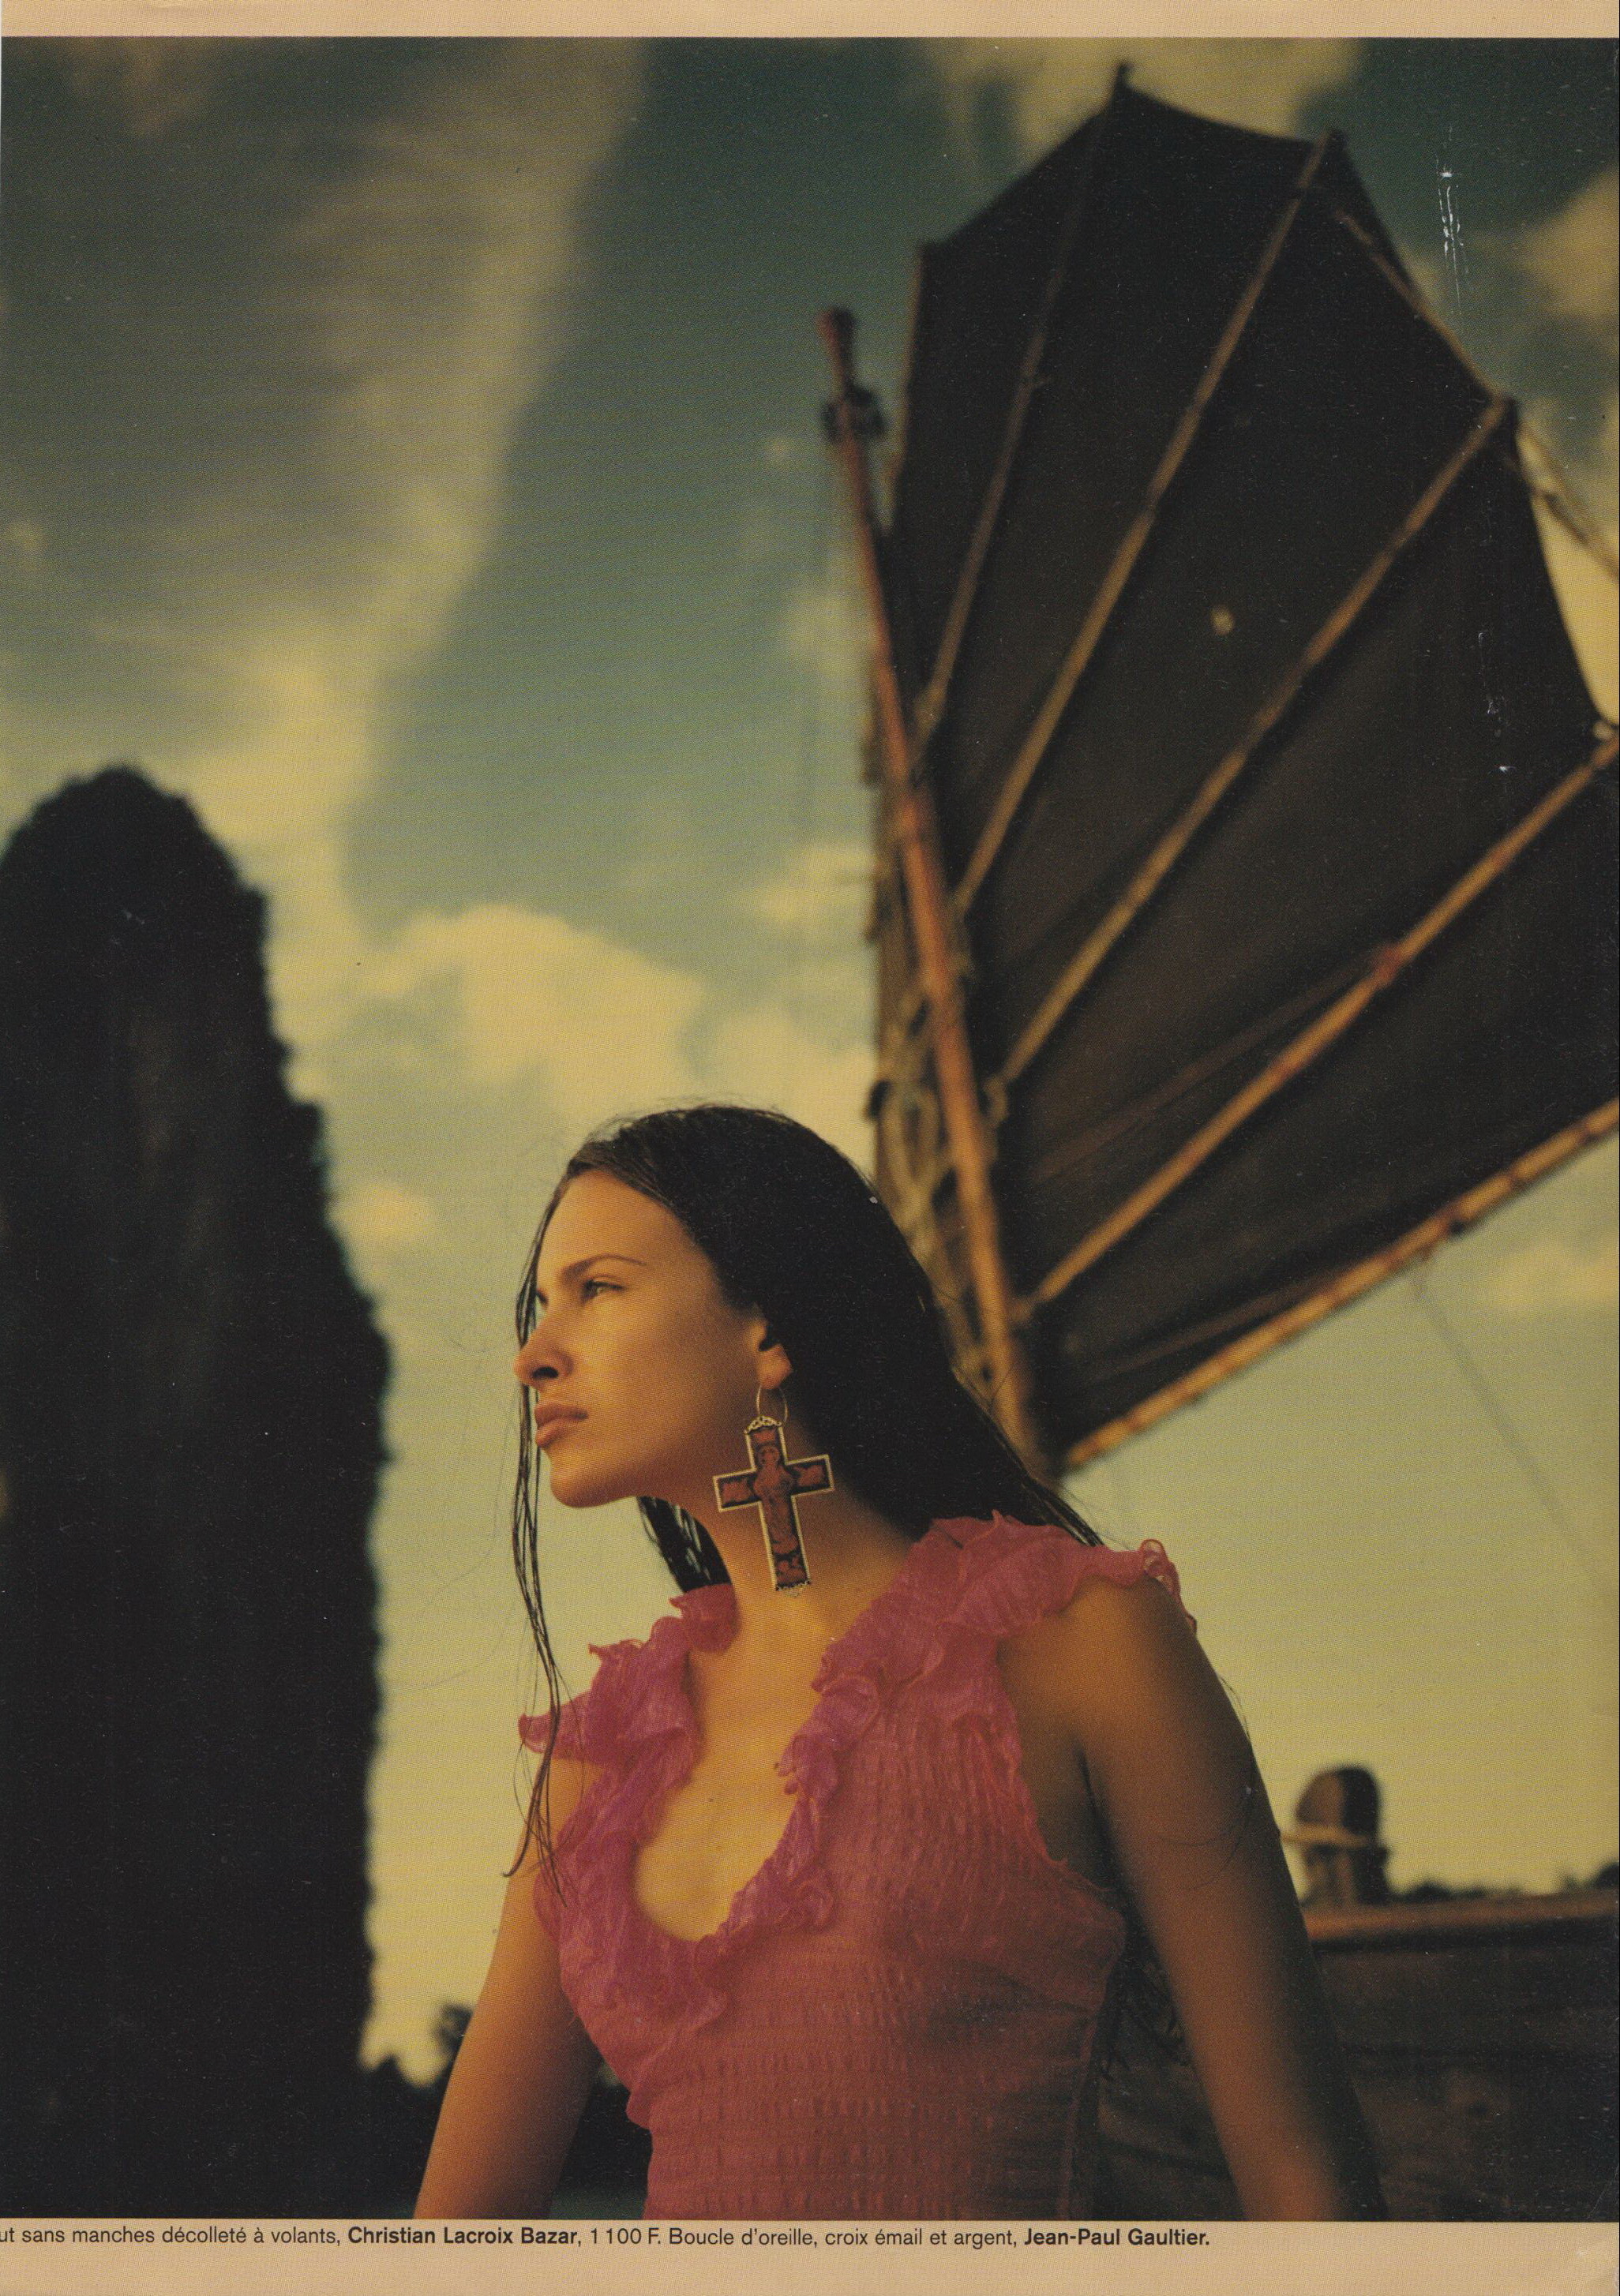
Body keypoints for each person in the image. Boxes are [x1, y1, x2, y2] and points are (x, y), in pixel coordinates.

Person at [414, 1105, 1384, 2221]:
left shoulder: (1080, 1646)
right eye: (541, 1303)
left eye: (598, 1288)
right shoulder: (600, 1761)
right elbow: (455, 2242)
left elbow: (1309, 2189)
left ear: (768, 1332)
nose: (533, 1354)